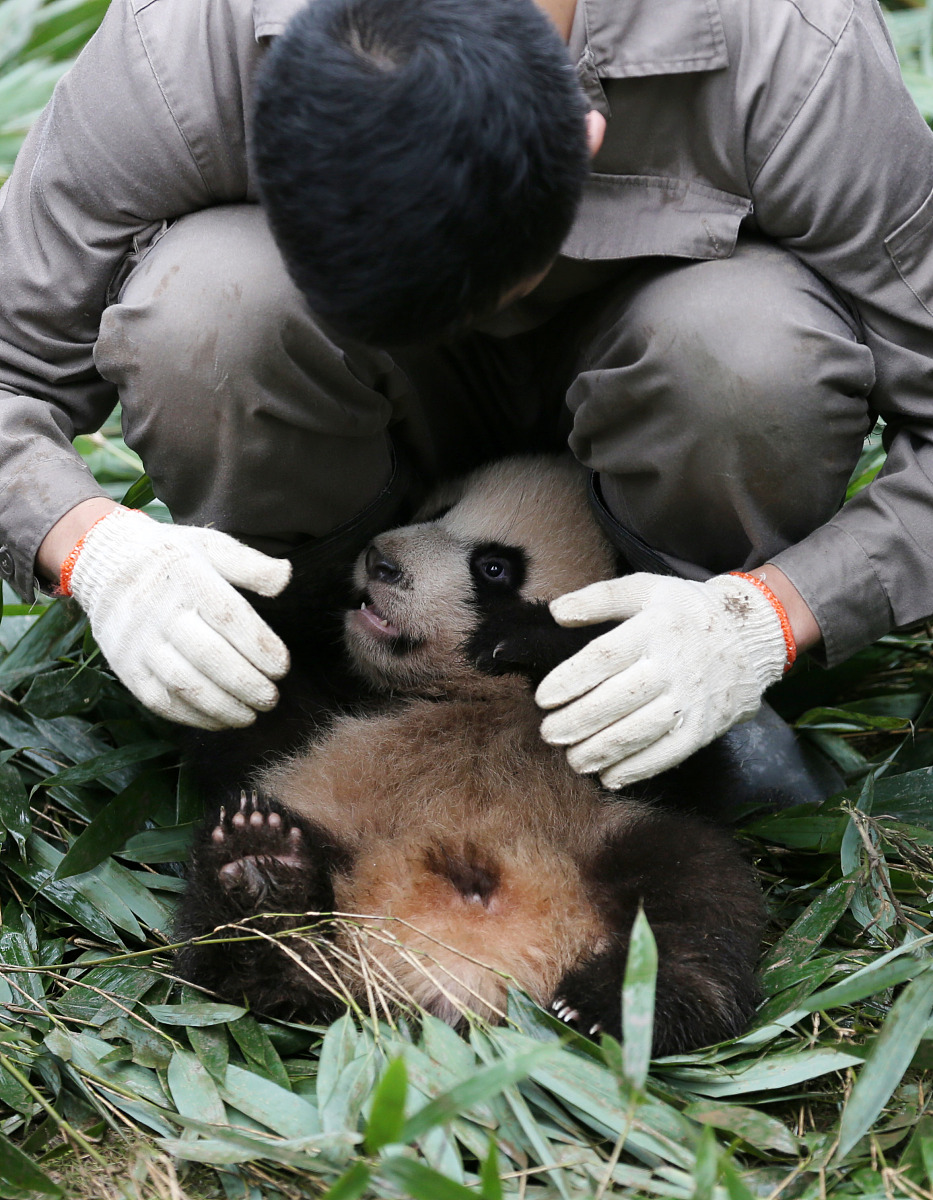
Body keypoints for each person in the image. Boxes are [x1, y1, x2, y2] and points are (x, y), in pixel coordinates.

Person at [0, 0, 929, 788]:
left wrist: (773, 612)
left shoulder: (793, 53)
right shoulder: (184, 44)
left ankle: (669, 690)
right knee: (204, 301)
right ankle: (296, 650)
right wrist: (95, 551)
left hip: (661, 415)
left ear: (585, 139)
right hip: (346, 434)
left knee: (751, 347)